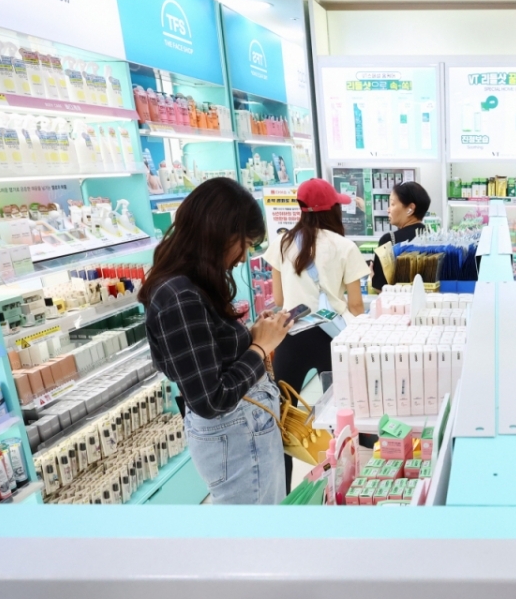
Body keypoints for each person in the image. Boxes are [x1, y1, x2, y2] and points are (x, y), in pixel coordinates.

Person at [141, 178, 292, 505]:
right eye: (245, 243)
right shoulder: (180, 296)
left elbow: (211, 356)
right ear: (219, 233)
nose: (244, 256)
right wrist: (259, 348)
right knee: (255, 529)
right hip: (235, 432)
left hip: (241, 428)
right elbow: (211, 399)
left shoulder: (191, 285)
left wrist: (252, 336)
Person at [264, 178, 367, 488]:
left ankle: (283, 491)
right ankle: (342, 484)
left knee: (282, 419)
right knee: (341, 415)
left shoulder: (282, 243)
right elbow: (356, 305)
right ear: (332, 209)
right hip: (331, 337)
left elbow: (279, 299)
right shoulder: (345, 247)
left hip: (291, 337)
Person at [372, 181, 431, 292]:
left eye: (392, 204)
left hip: (398, 302)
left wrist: (372, 277)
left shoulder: (388, 240)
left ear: (410, 209)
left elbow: (380, 288)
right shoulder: (434, 237)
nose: (388, 210)